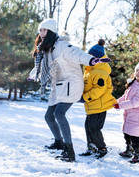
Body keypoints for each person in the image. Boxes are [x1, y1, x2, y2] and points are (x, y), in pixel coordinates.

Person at [28, 18, 111, 162]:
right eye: (40, 30)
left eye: (44, 30)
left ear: (51, 32)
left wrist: (92, 60)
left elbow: (78, 54)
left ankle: (69, 151)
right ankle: (59, 142)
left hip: (71, 85)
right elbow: (41, 66)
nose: (41, 33)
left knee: (59, 114)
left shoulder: (63, 46)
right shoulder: (47, 48)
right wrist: (32, 75)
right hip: (59, 86)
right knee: (49, 116)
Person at [79, 39, 117, 159]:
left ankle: (102, 148)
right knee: (88, 127)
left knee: (94, 128)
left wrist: (85, 97)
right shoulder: (89, 71)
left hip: (99, 106)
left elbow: (99, 90)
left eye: (90, 57)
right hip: (92, 106)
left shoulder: (100, 72)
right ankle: (91, 147)